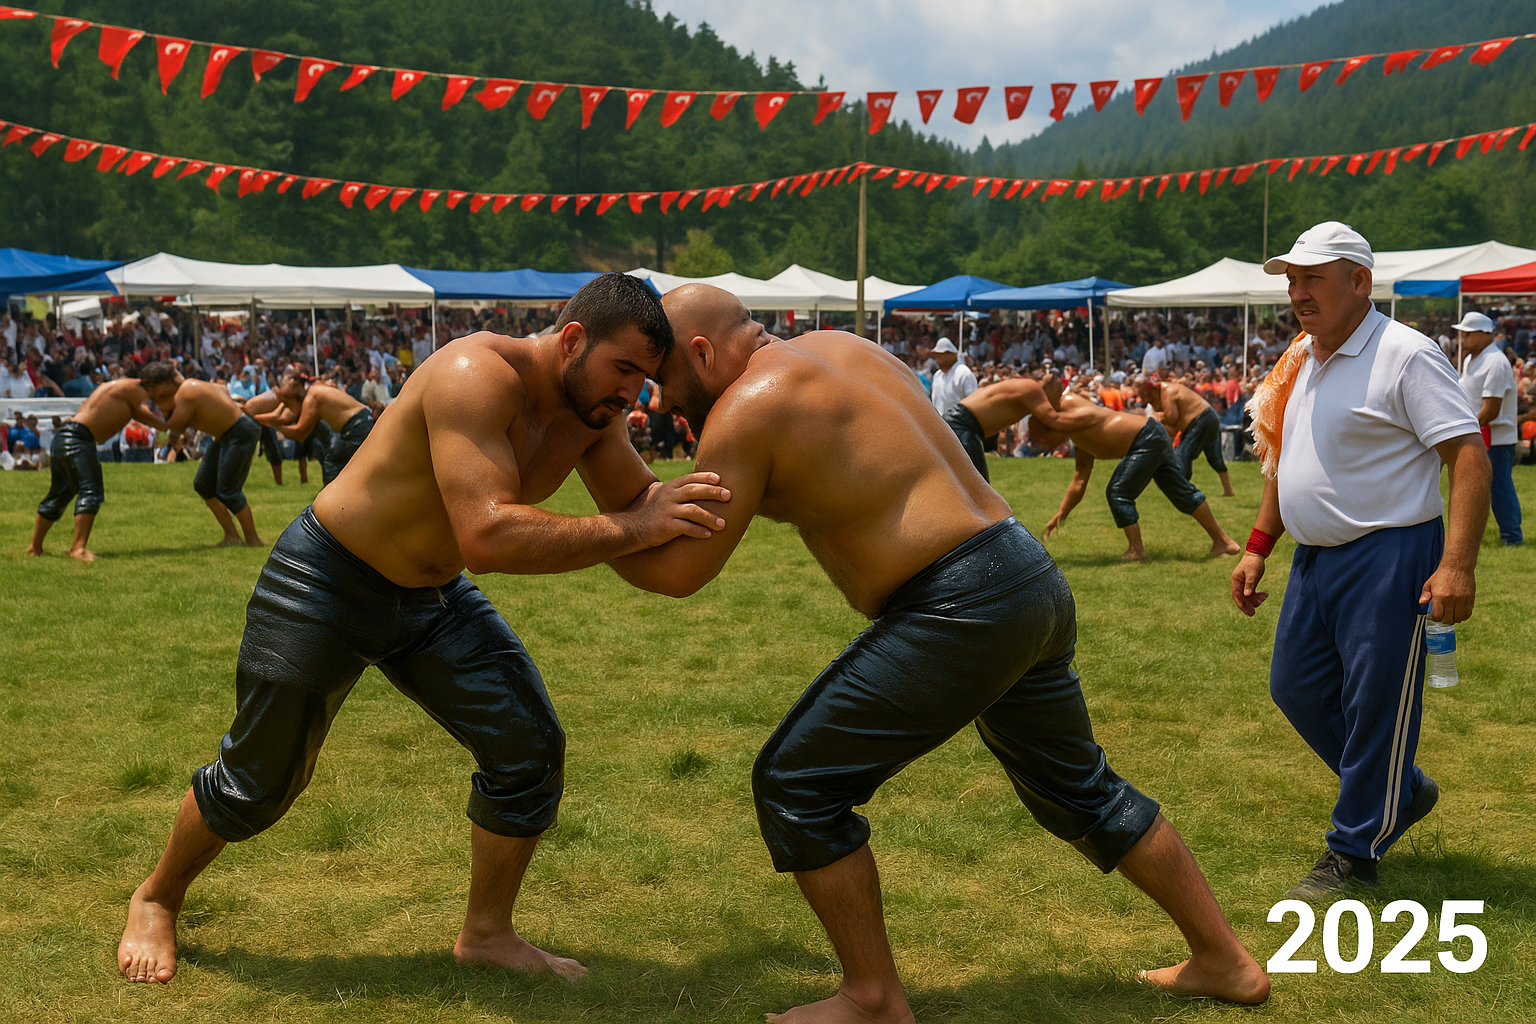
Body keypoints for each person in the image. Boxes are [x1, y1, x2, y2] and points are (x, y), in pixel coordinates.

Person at [606, 284, 1269, 1021]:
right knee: (1082, 789)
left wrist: (595, 446)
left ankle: (872, 997)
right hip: (1025, 573)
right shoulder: (842, 348)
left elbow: (677, 572)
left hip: (961, 603)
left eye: (662, 380)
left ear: (700, 352)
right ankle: (1226, 961)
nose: (660, 400)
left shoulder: (748, 405)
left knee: (798, 783)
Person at [116, 273, 731, 986]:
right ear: (571, 341)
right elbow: (490, 538)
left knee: (527, 748)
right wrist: (636, 524)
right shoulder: (475, 375)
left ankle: (488, 934)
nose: (633, 394)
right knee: (260, 782)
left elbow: (642, 504)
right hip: (328, 581)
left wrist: (734, 488)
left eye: (645, 379)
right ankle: (156, 895)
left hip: (431, 598)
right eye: (624, 369)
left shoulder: (592, 413)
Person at [1233, 222, 1490, 900]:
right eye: (1292, 279)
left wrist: (1457, 565)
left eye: (1312, 277)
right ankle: (1399, 792)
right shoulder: (1303, 357)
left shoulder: (1405, 354)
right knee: (1296, 688)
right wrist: (1260, 546)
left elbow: (1467, 456)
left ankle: (1354, 853)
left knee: (1374, 704)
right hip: (1315, 560)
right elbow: (1285, 463)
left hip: (1390, 554)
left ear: (1361, 282)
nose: (1297, 291)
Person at [1030, 394, 1241, 561]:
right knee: (1181, 491)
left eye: (1041, 437)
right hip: (1152, 435)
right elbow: (1079, 480)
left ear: (1053, 425)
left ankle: (1136, 551)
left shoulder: (1078, 414)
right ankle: (1223, 542)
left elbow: (1062, 405)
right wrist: (1061, 514)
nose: (1039, 443)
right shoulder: (1079, 438)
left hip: (1146, 437)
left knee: (1118, 492)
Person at [25, 371, 170, 561]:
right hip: (78, 439)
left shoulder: (128, 398)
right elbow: (151, 408)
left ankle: (34, 548)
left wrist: (169, 424)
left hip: (66, 438)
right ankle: (78, 549)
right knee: (91, 490)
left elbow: (156, 422)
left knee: (60, 493)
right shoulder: (131, 387)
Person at [152, 364, 265, 548]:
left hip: (239, 431)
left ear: (166, 383)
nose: (155, 395)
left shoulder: (187, 389)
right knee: (204, 485)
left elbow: (177, 425)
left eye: (156, 389)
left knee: (228, 491)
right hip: (225, 435)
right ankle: (232, 536)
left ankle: (253, 540)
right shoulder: (188, 388)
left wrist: (165, 424)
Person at [1454, 312, 1522, 545]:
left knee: (1499, 486)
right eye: (1463, 334)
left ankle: (1511, 536)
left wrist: (1466, 428)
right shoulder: (1471, 358)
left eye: (1468, 334)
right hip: (1478, 430)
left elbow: (1492, 409)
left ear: (1485, 335)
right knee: (1481, 485)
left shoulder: (1496, 362)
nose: (1463, 339)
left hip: (1496, 436)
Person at [252, 370, 374, 486]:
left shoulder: (312, 396)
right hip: (360, 422)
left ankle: (332, 503)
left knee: (332, 463)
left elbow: (300, 433)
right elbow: (291, 420)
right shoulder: (315, 390)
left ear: (293, 385)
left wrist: (277, 426)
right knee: (347, 465)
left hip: (357, 425)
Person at [942, 375, 1063, 482]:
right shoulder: (1033, 388)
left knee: (974, 492)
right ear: (1051, 386)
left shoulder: (1026, 388)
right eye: (1059, 393)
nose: (1059, 399)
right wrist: (1081, 417)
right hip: (962, 425)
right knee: (979, 494)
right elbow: (1055, 421)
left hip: (963, 424)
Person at [1137, 374, 1236, 497]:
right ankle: (1228, 491)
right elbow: (1172, 428)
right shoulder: (1159, 397)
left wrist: (1157, 417)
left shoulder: (1168, 391)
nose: (1146, 399)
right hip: (1208, 418)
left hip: (1200, 420)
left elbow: (1172, 417)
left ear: (1153, 389)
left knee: (1183, 456)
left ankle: (1184, 493)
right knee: (1214, 457)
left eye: (1145, 394)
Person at [925, 338, 976, 414]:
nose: (937, 357)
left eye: (941, 354)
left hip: (959, 423)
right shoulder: (937, 375)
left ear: (952, 355)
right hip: (940, 423)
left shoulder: (964, 373)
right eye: (936, 354)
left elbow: (973, 401)